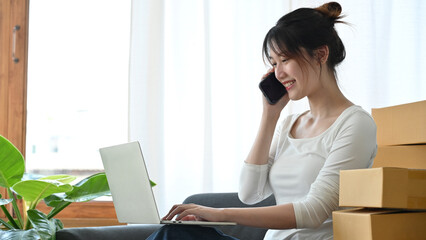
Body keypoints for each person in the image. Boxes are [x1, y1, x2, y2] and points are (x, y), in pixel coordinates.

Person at [148, 2, 377, 239]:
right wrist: (270, 115)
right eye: (273, 63)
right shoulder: (289, 124)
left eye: (285, 60)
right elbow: (249, 193)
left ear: (320, 54)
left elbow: (314, 211)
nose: (278, 74)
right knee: (174, 233)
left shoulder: (356, 124)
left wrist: (220, 214)